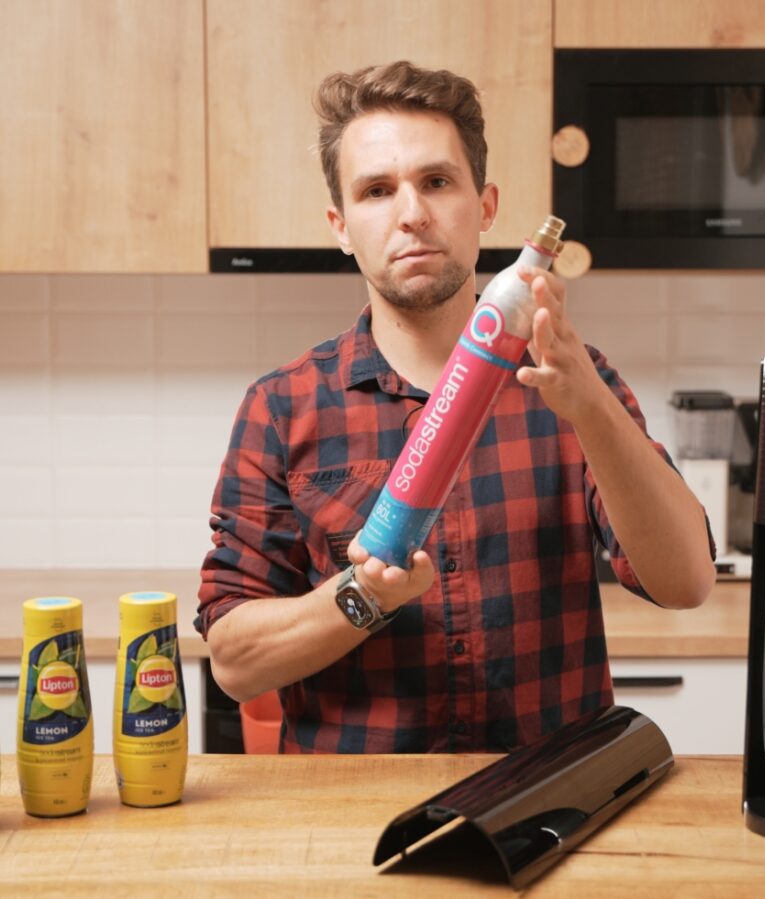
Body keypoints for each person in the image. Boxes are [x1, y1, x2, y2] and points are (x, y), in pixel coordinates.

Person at [195, 60, 717, 753]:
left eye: (437, 181)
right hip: (351, 810)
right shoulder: (283, 407)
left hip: (547, 797)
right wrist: (366, 597)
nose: (412, 213)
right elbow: (234, 664)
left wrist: (591, 405)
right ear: (341, 226)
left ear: (487, 206)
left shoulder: (570, 384)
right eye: (377, 191)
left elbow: (686, 582)